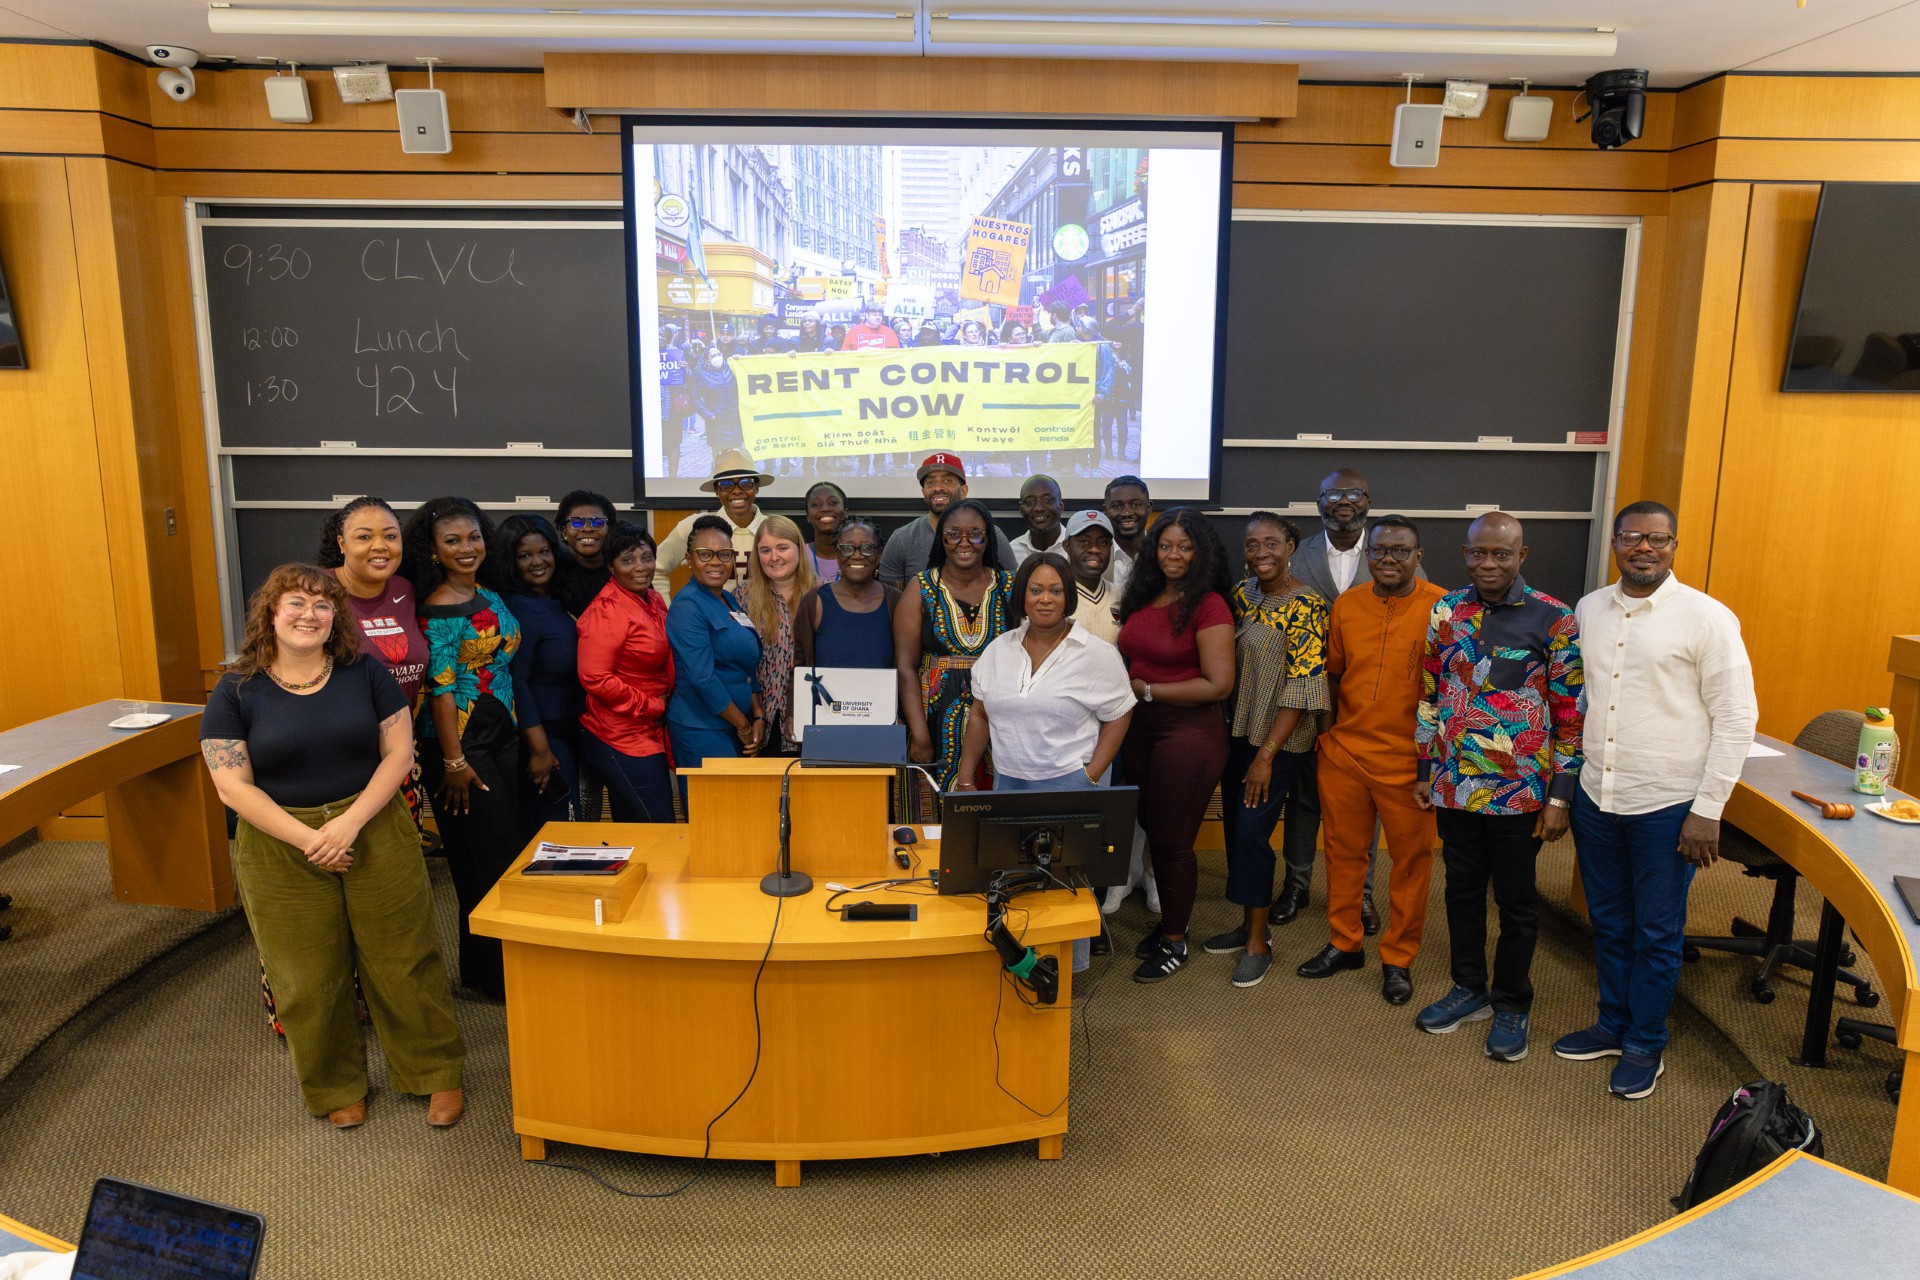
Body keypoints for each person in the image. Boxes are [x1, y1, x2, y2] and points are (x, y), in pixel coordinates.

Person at [200, 564, 465, 1129]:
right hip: (278, 845)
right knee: (306, 975)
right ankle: (334, 1084)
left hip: (372, 826)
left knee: (406, 958)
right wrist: (309, 839)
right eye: (296, 603)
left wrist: (345, 826)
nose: (309, 615)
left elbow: (397, 755)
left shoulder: (364, 672)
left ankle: (434, 1073)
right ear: (270, 613)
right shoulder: (235, 689)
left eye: (322, 606)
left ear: (336, 618)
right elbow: (230, 785)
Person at [1556, 501, 1756, 1099]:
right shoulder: (1589, 610)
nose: (1644, 548)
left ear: (1673, 546)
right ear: (1615, 543)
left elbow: (1737, 717)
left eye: (1658, 539)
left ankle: (1646, 1042)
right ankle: (1613, 1024)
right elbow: (1580, 703)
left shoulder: (1707, 618)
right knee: (1609, 922)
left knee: (1658, 931)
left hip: (1668, 804)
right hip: (1598, 794)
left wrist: (1708, 810)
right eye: (1632, 537)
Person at [1413, 512, 1583, 1064]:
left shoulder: (1555, 619)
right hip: (1456, 785)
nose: (1489, 564)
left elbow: (1569, 717)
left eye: (1501, 555)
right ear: (1465, 554)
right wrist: (1425, 769)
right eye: (1478, 553)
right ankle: (1470, 989)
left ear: (1521, 556)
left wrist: (1560, 796)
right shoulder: (1446, 609)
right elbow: (1430, 692)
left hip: (1520, 793)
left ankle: (1512, 1002)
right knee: (1460, 891)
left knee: (1516, 902)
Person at [955, 553, 1135, 972]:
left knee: (1067, 887)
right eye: (1036, 590)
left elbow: (1121, 713)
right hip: (1010, 785)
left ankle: (1069, 971)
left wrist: (1090, 776)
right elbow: (980, 714)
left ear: (1068, 596)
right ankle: (1017, 961)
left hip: (1068, 785)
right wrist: (966, 777)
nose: (1046, 599)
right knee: (1011, 882)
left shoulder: (1095, 653)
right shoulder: (999, 650)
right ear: (1023, 596)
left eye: (1056, 590)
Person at [1310, 515, 1448, 1006]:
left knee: (1411, 863)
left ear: (1418, 556)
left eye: (1400, 551)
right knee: (1343, 855)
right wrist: (1328, 740)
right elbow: (1333, 675)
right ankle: (1344, 942)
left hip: (1410, 767)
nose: (1388, 559)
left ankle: (1398, 957)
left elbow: (1452, 691)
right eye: (1379, 551)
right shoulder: (1347, 605)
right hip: (1345, 755)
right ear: (1368, 556)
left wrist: (1433, 765)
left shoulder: (1444, 608)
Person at [1283, 468, 1425, 933]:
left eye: (1354, 494)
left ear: (1368, 500)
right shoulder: (1295, 554)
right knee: (1304, 800)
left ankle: (1360, 896)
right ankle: (1297, 884)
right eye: (1333, 494)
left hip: (1379, 718)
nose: (1343, 502)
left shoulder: (1396, 551)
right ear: (1318, 501)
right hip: (1307, 702)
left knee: (1368, 813)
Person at [403, 496, 524, 1001]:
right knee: (485, 865)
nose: (466, 547)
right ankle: (497, 980)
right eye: (452, 541)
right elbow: (441, 688)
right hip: (461, 750)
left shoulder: (487, 593)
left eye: (473, 537)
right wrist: (453, 762)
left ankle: (484, 972)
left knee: (502, 858)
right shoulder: (436, 609)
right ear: (432, 550)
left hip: (503, 738)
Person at [1201, 515, 1329, 988]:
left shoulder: (1307, 605)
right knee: (1237, 831)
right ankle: (1245, 922)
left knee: (1253, 832)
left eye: (1272, 543)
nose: (1261, 552)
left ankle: (1259, 942)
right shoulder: (1242, 594)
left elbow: (1303, 686)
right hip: (1238, 732)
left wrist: (1266, 756)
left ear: (1291, 546)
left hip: (1278, 741)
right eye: (1252, 544)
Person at [1116, 508, 1236, 983]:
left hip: (1188, 734)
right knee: (1153, 826)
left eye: (1185, 547)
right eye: (1166, 545)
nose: (1174, 555)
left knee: (1172, 840)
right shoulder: (1145, 595)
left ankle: (1175, 939)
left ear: (1201, 551)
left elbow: (1218, 683)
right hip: (1140, 732)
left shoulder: (1209, 606)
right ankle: (1169, 925)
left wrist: (1147, 690)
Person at [894, 498, 1014, 795]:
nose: (964, 542)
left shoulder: (1009, 586)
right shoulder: (921, 587)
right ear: (941, 538)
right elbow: (906, 667)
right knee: (932, 804)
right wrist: (919, 733)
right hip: (932, 714)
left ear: (987, 538)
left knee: (994, 805)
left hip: (998, 713)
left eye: (975, 533)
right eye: (953, 534)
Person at [576, 522, 678, 823]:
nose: (640, 567)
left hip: (648, 731)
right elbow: (595, 677)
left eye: (646, 557)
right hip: (619, 736)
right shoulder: (607, 609)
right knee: (659, 829)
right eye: (628, 560)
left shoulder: (653, 599)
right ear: (611, 566)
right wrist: (652, 706)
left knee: (635, 832)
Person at [665, 515, 766, 790]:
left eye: (723, 554)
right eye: (704, 554)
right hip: (702, 728)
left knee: (735, 813)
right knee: (712, 817)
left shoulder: (728, 598)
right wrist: (744, 728)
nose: (715, 562)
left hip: (736, 724)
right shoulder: (687, 606)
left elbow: (748, 665)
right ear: (688, 558)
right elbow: (703, 678)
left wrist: (758, 716)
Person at [497, 513, 583, 833]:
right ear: (510, 561)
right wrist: (540, 749)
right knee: (557, 829)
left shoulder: (553, 599)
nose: (538, 561)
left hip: (568, 729)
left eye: (544, 551)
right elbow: (517, 681)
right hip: (544, 739)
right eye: (525, 555)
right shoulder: (519, 608)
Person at [877, 453, 1016, 587]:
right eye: (930, 483)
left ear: (963, 491)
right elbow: (890, 599)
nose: (938, 488)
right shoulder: (902, 538)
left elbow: (1012, 590)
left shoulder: (990, 534)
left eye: (947, 481)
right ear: (923, 493)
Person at [653, 449, 772, 600]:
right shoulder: (694, 527)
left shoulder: (774, 528)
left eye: (746, 483)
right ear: (717, 491)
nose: (736, 491)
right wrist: (665, 614)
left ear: (757, 487)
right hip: (708, 621)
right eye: (726, 485)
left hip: (763, 621)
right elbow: (656, 570)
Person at [746, 514, 819, 755]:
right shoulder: (740, 599)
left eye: (782, 548)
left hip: (812, 716)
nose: (774, 557)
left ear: (799, 549)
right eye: (765, 550)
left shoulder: (824, 596)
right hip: (756, 720)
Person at [794, 516, 898, 672]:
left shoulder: (896, 601)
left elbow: (907, 664)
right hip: (824, 697)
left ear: (879, 554)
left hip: (882, 696)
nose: (857, 555)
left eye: (867, 547)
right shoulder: (814, 601)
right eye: (847, 548)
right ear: (837, 553)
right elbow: (799, 667)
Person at [1062, 510, 1122, 644]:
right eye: (1084, 541)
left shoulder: (1122, 596)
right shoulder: (1053, 595)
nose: (1094, 549)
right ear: (1067, 546)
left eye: (1103, 542)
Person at [554, 490, 616, 616]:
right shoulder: (554, 575)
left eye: (598, 523)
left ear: (609, 530)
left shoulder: (624, 570)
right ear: (564, 532)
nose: (587, 529)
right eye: (577, 522)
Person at [1102, 475, 1152, 591]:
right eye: (1117, 506)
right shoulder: (1097, 556)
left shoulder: (1162, 553)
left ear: (1149, 507)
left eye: (1135, 505)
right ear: (1106, 510)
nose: (1126, 513)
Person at [691, 344, 743, 456]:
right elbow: (694, 398)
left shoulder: (732, 368)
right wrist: (708, 414)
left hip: (735, 421)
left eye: (718, 354)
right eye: (713, 355)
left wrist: (740, 360)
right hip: (717, 422)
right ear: (706, 360)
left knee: (737, 456)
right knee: (720, 458)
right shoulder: (702, 374)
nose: (717, 357)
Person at [1008, 474, 1065, 567]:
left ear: (1061, 506)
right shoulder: (1012, 552)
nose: (1038, 508)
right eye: (1030, 502)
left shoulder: (1074, 548)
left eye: (1048, 500)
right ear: (1021, 510)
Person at [659, 325, 689, 477]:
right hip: (652, 408)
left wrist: (685, 368)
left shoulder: (677, 354)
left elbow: (687, 381)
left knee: (673, 443)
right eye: (657, 334)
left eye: (663, 334)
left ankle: (672, 478)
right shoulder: (644, 354)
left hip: (672, 409)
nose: (660, 337)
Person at [802, 481, 846, 584]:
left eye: (833, 503)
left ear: (845, 512)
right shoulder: (797, 556)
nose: (825, 509)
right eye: (815, 504)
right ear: (808, 516)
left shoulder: (858, 556)